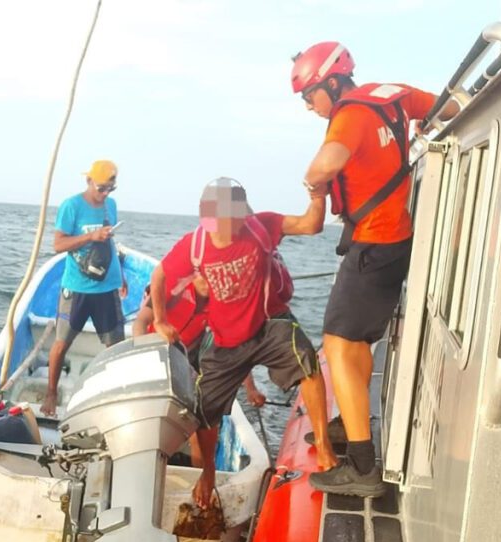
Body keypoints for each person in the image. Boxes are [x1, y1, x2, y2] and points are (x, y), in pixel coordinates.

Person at [292, 41, 459, 496]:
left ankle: (363, 468)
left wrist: (312, 183)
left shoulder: (348, 115)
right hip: (396, 240)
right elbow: (453, 106)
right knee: (360, 339)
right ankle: (352, 424)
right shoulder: (393, 95)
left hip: (372, 244)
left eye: (309, 96)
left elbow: (326, 164)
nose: (309, 106)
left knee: (338, 342)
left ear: (331, 82)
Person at [151, 177, 338, 509]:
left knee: (307, 361)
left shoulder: (260, 226)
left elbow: (311, 225)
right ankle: (207, 473)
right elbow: (160, 276)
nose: (226, 228)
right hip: (225, 340)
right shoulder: (194, 246)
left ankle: (323, 445)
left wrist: (318, 195)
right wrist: (162, 320)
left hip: (269, 323)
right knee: (205, 413)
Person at [132, 274, 267, 466]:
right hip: (155, 356)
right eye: (203, 277)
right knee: (147, 421)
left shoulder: (220, 302)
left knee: (199, 427)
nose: (208, 284)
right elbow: (140, 322)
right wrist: (142, 354)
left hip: (188, 361)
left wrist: (250, 388)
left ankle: (200, 479)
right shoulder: (172, 288)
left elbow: (237, 347)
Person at [42, 160, 128, 417]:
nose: (105, 194)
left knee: (116, 346)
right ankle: (51, 393)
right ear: (89, 181)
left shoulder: (110, 206)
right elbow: (58, 245)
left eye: (111, 189)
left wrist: (120, 275)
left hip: (107, 287)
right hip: (77, 288)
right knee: (62, 342)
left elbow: (109, 244)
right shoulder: (72, 206)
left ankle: (113, 397)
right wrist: (91, 236)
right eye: (101, 188)